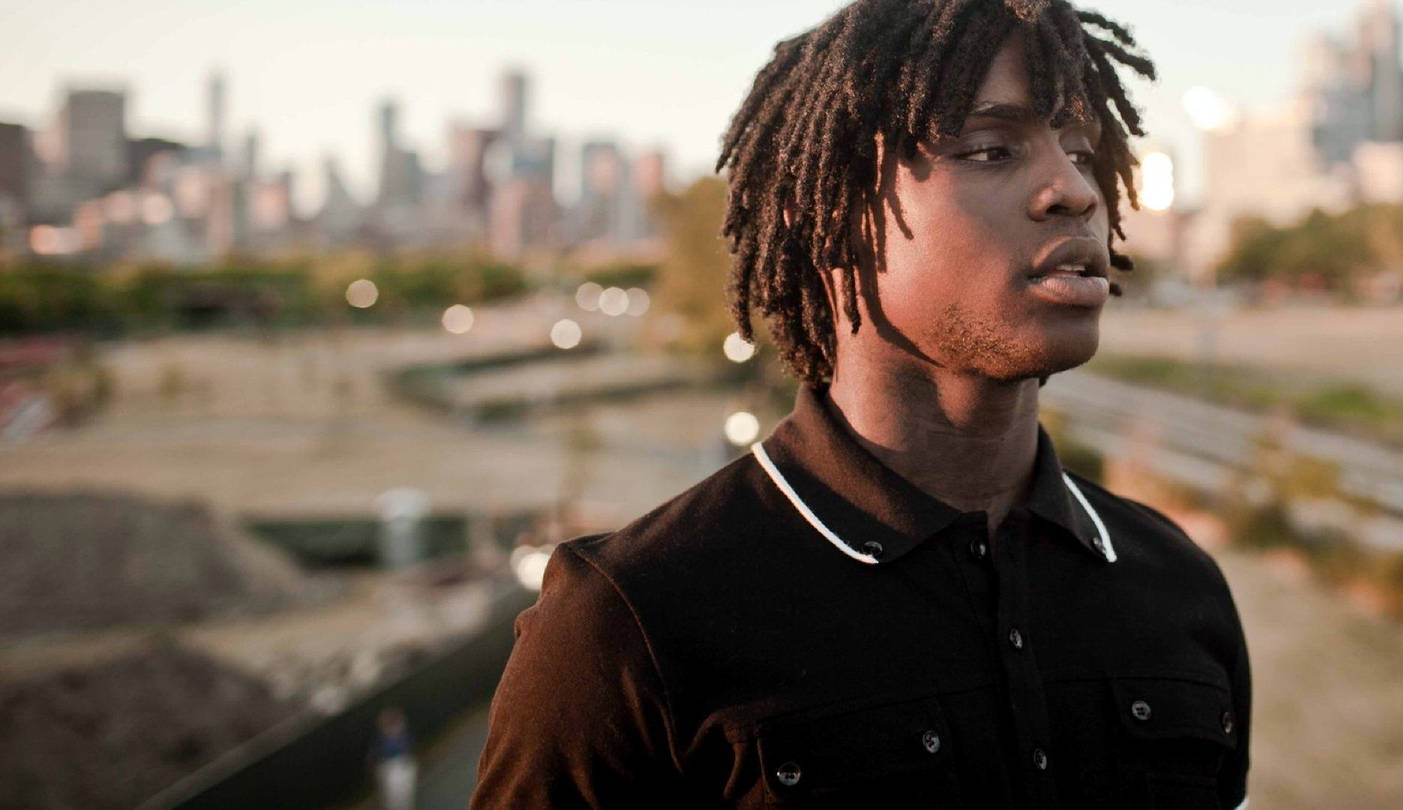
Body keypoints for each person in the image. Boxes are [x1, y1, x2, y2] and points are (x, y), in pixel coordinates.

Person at [472, 1, 1251, 807]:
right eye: (991, 148)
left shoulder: (1179, 586)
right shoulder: (627, 623)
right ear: (827, 221)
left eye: (1082, 150)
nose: (1074, 190)